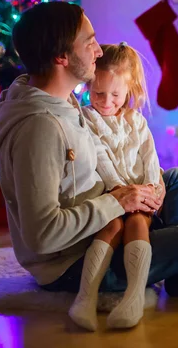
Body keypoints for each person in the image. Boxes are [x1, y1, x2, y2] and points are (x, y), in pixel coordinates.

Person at [0, 2, 178, 331]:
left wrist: (144, 188)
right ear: (62, 57)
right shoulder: (39, 129)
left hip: (109, 222)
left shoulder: (63, 101)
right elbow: (42, 236)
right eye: (90, 42)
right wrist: (119, 200)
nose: (99, 51)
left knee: (176, 181)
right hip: (77, 262)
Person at [67, 42, 161, 330]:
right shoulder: (87, 118)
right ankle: (85, 299)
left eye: (115, 95)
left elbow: (150, 158)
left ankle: (133, 297)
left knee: (137, 223)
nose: (106, 101)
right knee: (111, 226)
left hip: (140, 195)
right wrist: (121, 192)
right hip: (111, 193)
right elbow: (100, 158)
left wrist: (153, 189)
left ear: (128, 90)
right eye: (98, 93)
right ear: (88, 87)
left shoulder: (137, 121)